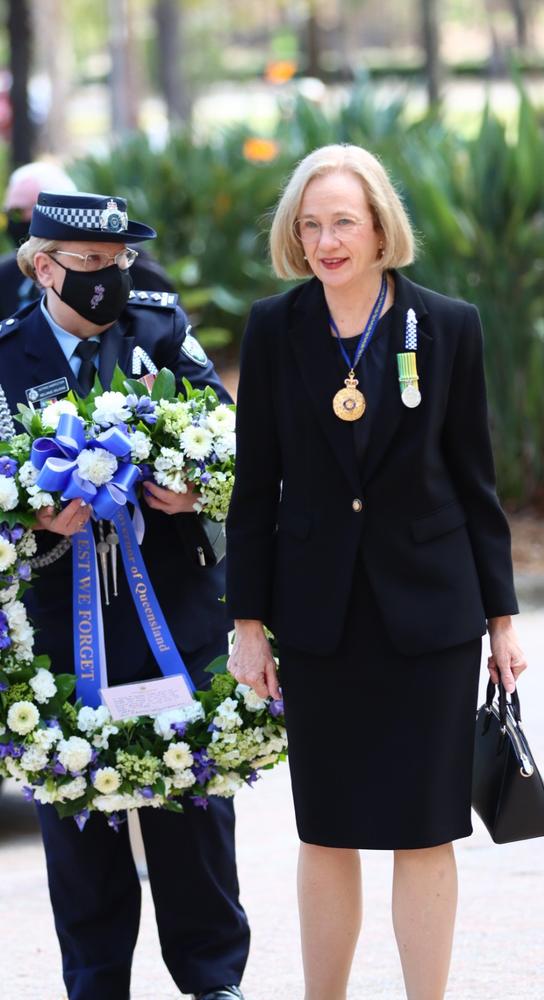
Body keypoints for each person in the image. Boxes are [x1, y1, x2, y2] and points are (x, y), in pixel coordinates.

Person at [225, 144, 528, 1000]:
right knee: (326, 831)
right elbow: (256, 491)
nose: (327, 241)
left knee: (424, 832)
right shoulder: (276, 329)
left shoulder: (448, 325)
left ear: (379, 226)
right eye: (310, 224)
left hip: (431, 617)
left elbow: (476, 482)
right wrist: (248, 624)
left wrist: (502, 620)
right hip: (319, 619)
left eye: (343, 222)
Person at [0, 190, 248, 1000]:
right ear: (44, 267)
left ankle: (214, 980)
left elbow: (225, 429)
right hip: (55, 628)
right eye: (91, 266)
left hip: (173, 609)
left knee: (194, 802)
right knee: (78, 811)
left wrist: (196, 483)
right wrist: (30, 516)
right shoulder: (5, 357)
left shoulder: (159, 330)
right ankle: (97, 984)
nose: (109, 279)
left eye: (120, 263)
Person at [0, 161, 175, 318]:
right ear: (42, 267)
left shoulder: (130, 264)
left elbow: (163, 322)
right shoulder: (6, 273)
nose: (12, 221)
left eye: (17, 212)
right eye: (92, 258)